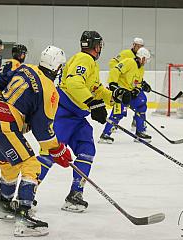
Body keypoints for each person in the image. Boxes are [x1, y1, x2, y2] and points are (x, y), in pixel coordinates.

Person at [36, 31, 131, 213]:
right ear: (96, 46)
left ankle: (75, 194)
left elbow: (95, 89)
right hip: (63, 114)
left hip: (77, 117)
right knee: (50, 153)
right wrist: (93, 104)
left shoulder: (91, 63)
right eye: (100, 45)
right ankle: (26, 195)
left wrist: (114, 97)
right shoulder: (83, 59)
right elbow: (73, 84)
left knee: (87, 150)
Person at [0, 46, 72, 237]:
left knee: (9, 165)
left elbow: (2, 77)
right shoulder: (50, 90)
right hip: (5, 123)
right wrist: (58, 150)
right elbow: (43, 131)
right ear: (56, 67)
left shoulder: (27, 68)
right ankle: (24, 215)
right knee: (31, 164)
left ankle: (6, 205)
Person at [99, 37, 152, 144]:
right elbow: (115, 70)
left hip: (130, 92)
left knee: (142, 104)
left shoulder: (141, 69)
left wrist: (138, 89)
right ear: (141, 58)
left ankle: (140, 132)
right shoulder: (128, 62)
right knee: (118, 113)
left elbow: (137, 81)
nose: (146, 62)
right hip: (122, 92)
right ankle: (105, 134)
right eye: (146, 59)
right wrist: (113, 84)